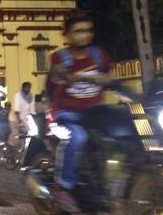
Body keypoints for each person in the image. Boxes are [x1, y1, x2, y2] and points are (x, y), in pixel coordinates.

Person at [48, 15, 127, 213]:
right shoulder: (60, 57)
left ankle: (112, 190)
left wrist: (121, 91)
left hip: (95, 113)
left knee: (123, 137)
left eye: (88, 30)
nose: (85, 35)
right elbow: (59, 74)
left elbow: (111, 77)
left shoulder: (99, 54)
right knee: (78, 136)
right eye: (79, 31)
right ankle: (62, 186)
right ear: (66, 35)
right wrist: (75, 76)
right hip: (67, 113)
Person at [7, 82, 35, 148]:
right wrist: (19, 122)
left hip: (24, 118)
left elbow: (32, 109)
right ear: (23, 88)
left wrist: (34, 117)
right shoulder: (18, 95)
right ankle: (10, 147)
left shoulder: (31, 96)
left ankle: (23, 148)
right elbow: (17, 109)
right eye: (26, 87)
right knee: (16, 133)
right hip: (15, 117)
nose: (28, 89)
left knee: (27, 132)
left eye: (29, 87)